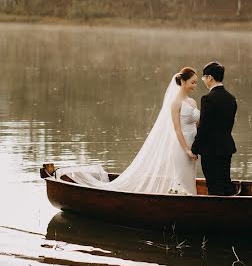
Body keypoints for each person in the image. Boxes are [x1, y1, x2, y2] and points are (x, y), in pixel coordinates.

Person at [57, 67, 200, 195]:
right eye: (192, 82)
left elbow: (197, 125)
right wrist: (186, 149)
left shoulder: (192, 102)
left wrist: (196, 146)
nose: (195, 85)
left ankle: (189, 198)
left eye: (195, 82)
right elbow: (176, 128)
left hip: (193, 144)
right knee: (181, 175)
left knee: (190, 175)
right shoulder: (175, 103)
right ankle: (182, 198)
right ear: (183, 82)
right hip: (181, 146)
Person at [191, 61, 237, 196]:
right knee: (226, 182)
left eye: (204, 77)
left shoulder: (208, 98)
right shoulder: (231, 98)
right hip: (226, 147)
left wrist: (195, 148)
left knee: (213, 186)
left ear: (210, 77)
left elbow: (204, 127)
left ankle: (217, 213)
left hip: (211, 150)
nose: (204, 80)